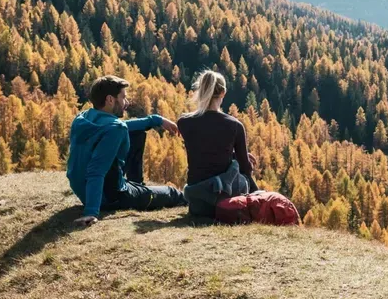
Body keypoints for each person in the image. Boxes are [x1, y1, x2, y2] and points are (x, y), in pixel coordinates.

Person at [67, 75, 186, 225]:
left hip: (82, 188)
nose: (127, 103)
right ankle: (188, 201)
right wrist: (91, 211)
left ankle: (137, 185)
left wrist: (155, 120)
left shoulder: (83, 118)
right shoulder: (115, 128)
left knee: (136, 133)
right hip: (111, 196)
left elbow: (122, 127)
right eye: (123, 98)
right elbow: (96, 170)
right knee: (172, 193)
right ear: (110, 99)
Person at [177, 70, 258, 217]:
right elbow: (245, 167)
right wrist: (240, 158)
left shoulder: (184, 122)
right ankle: (254, 200)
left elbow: (203, 149)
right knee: (240, 171)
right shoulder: (234, 126)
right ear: (223, 92)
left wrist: (232, 154)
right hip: (223, 200)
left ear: (200, 91)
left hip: (197, 202)